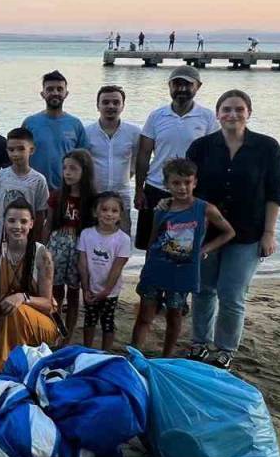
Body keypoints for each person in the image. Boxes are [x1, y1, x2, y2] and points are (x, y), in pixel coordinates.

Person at [185, 90, 280, 369]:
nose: (232, 114)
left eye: (239, 109)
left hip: (248, 232)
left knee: (232, 294)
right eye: (226, 109)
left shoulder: (267, 148)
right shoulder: (201, 147)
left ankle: (225, 348)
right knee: (203, 290)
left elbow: (275, 193)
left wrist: (269, 232)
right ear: (217, 115)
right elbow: (187, 189)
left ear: (248, 113)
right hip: (207, 232)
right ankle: (200, 343)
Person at [130, 158, 234, 357]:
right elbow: (152, 241)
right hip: (156, 269)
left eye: (187, 182)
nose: (182, 188)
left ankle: (166, 357)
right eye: (176, 183)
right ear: (167, 184)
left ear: (195, 182)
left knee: (174, 316)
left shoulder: (204, 209)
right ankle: (134, 354)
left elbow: (228, 232)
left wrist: (204, 249)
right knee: (145, 315)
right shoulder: (162, 209)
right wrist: (146, 268)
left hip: (182, 273)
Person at [134, 65, 218, 250]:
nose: (181, 89)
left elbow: (214, 156)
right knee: (151, 243)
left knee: (182, 245)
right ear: (169, 86)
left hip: (190, 189)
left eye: (187, 85)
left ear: (198, 86)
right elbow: (143, 155)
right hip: (156, 187)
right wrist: (139, 190)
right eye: (176, 84)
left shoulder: (208, 117)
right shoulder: (157, 116)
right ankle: (150, 277)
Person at [0, 198, 61, 371]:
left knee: (18, 311)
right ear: (4, 222)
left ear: (31, 224)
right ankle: (10, 348)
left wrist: (22, 298)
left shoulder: (42, 255)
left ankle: (6, 363)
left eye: (23, 221)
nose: (17, 226)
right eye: (11, 221)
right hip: (5, 320)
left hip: (39, 322)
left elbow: (48, 305)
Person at [41, 149, 96, 337]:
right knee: (54, 292)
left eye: (73, 168)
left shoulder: (92, 200)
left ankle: (68, 334)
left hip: (79, 248)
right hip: (57, 246)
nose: (67, 172)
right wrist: (42, 248)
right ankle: (55, 329)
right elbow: (48, 224)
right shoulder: (57, 195)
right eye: (65, 168)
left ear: (85, 171)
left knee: (74, 293)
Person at [77, 192, 132, 350]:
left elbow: (117, 267)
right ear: (96, 212)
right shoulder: (86, 234)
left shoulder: (123, 239)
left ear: (120, 215)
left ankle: (105, 352)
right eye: (104, 209)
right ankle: (87, 350)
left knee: (107, 322)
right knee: (89, 320)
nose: (109, 214)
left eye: (114, 211)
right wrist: (86, 288)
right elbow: (82, 263)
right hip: (90, 289)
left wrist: (106, 291)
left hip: (110, 291)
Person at [0, 128, 50, 255]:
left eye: (21, 149)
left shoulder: (38, 180)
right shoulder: (0, 176)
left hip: (25, 240)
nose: (15, 154)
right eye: (11, 149)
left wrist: (35, 243)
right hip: (0, 240)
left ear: (31, 150)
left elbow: (40, 215)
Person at [86, 85, 140, 234]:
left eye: (116, 102)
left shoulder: (134, 132)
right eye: (106, 102)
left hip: (122, 195)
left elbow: (137, 161)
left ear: (123, 106)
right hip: (94, 196)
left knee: (122, 238)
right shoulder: (87, 132)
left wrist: (128, 176)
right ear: (98, 106)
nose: (111, 106)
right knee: (92, 238)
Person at [22, 70, 90, 191]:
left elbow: (85, 161)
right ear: (42, 94)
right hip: (33, 189)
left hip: (65, 190)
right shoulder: (30, 123)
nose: (55, 93)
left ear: (66, 93)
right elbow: (19, 156)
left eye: (59, 89)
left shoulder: (75, 124)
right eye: (50, 89)